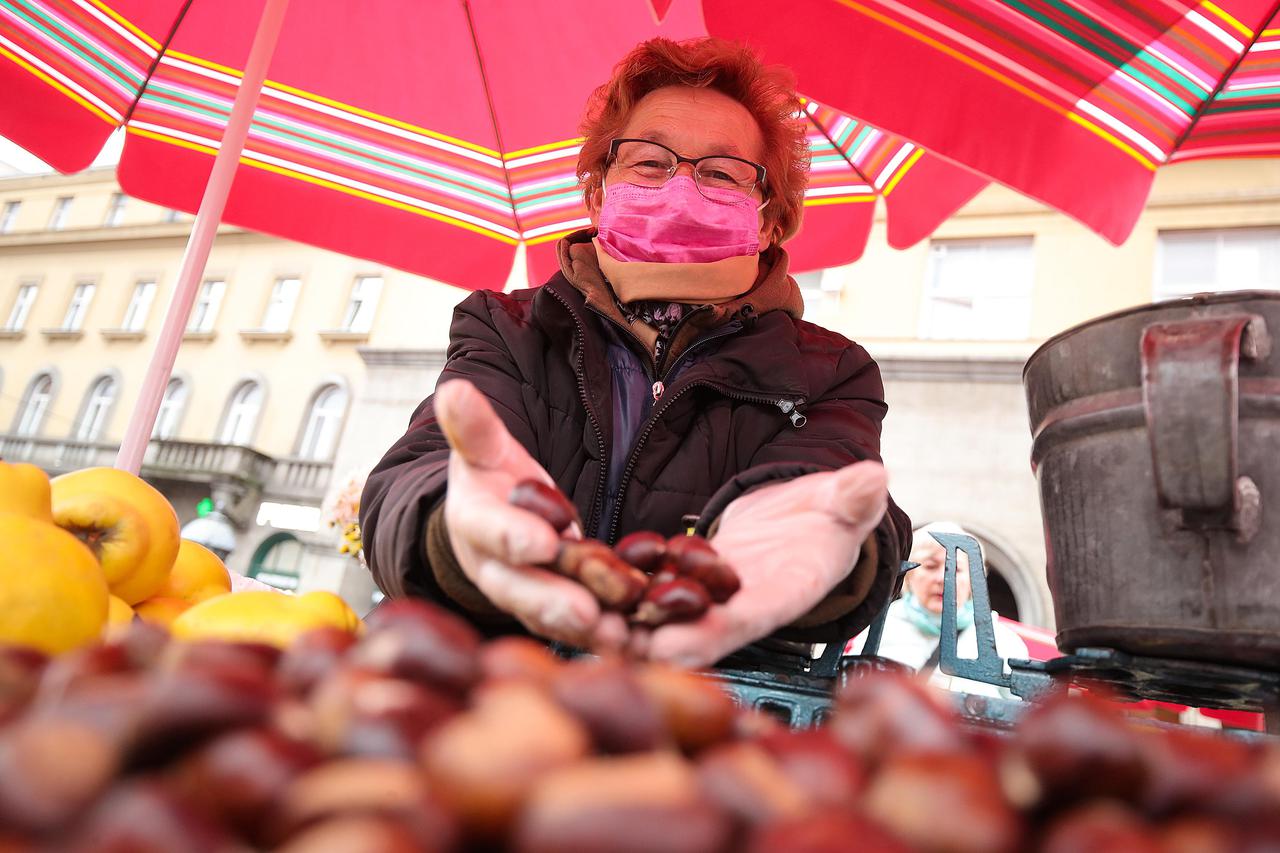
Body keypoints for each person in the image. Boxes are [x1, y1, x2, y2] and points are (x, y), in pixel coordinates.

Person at [359, 37, 911, 668]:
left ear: (765, 221)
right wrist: (446, 523)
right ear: (598, 193)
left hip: (701, 707)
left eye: (721, 172)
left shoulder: (833, 372)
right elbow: (419, 471)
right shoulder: (507, 326)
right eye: (648, 163)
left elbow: (833, 488)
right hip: (493, 686)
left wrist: (831, 540)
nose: (680, 186)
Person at [846, 522, 1029, 698]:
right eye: (931, 566)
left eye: (956, 569)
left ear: (974, 581)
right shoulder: (878, 631)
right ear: (909, 576)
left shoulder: (1002, 642)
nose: (943, 578)